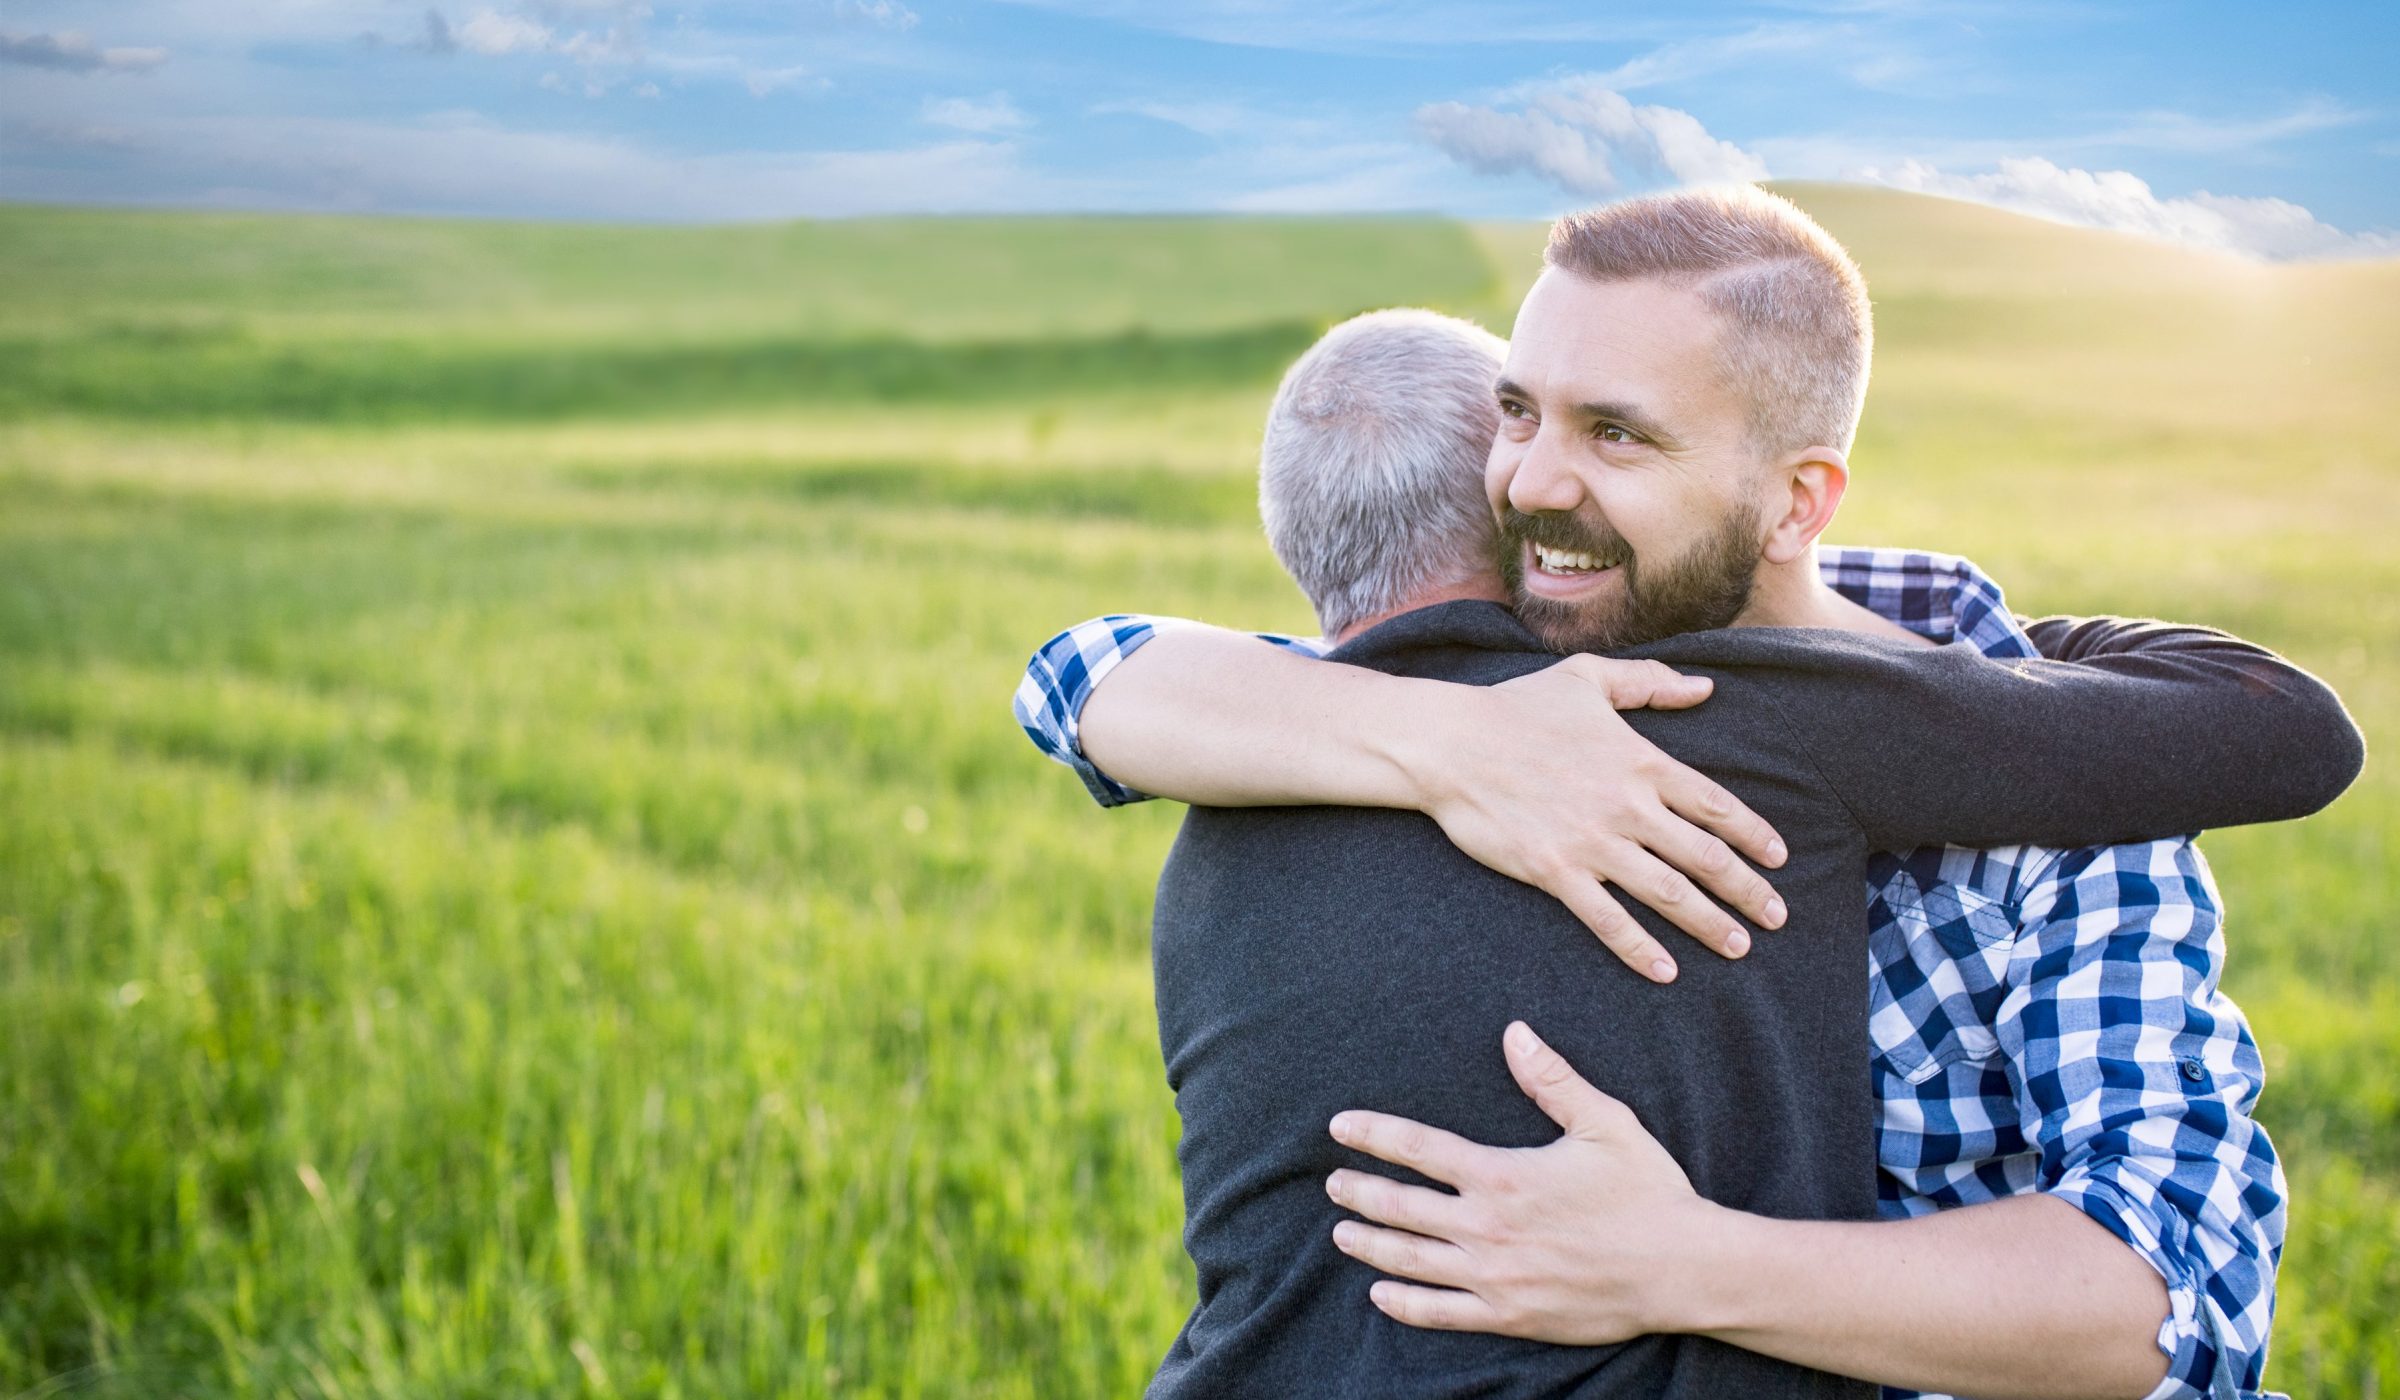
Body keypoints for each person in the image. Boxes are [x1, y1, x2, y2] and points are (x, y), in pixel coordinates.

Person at [1012, 188, 2363, 1398]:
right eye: (1519, 411)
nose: (1531, 484)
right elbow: (1084, 679)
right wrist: (1443, 742)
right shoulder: (1533, 677)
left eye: (1617, 433)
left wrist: (1681, 1263)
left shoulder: (2063, 784)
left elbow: (2176, 1311)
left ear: (1792, 504)